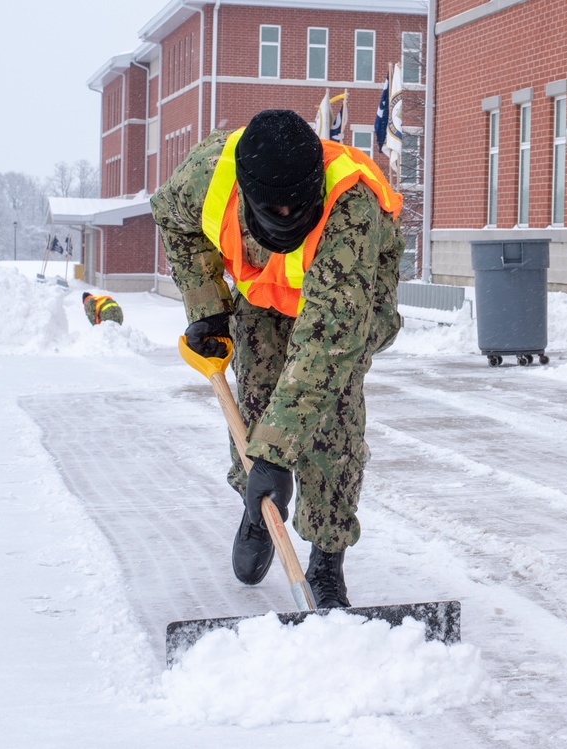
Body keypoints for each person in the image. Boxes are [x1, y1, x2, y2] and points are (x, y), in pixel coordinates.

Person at [150, 109, 404, 606]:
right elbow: (173, 222)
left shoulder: (351, 205)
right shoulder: (206, 177)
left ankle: (327, 559)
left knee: (332, 419)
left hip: (350, 302)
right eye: (274, 211)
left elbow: (330, 335)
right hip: (263, 296)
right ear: (248, 195)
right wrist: (208, 309)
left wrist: (275, 449)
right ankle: (259, 503)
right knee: (259, 404)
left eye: (297, 209)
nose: (286, 218)